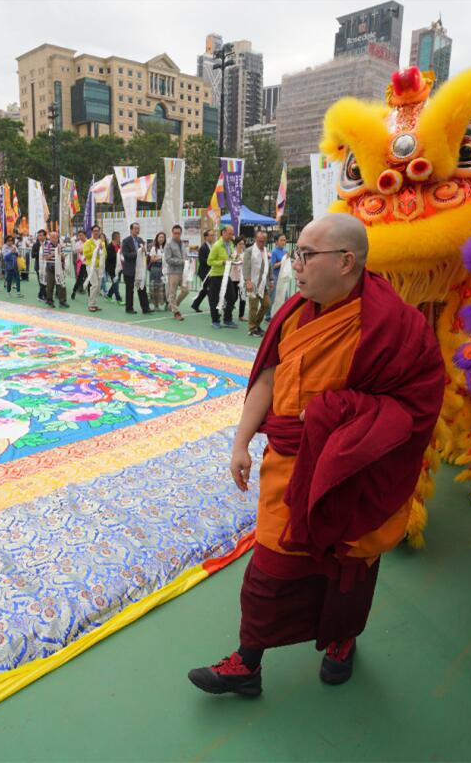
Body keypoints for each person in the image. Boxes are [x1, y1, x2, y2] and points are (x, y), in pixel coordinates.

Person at [187, 214, 444, 696]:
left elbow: (416, 405)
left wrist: (338, 413)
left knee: (347, 566)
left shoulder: (393, 325)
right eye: (295, 253)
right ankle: (247, 663)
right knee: (268, 567)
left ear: (347, 262)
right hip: (287, 464)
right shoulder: (294, 312)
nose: (294, 264)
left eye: (306, 255)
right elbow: (268, 376)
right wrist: (241, 442)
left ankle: (341, 640)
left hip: (350, 475)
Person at [205, 226, 238, 329]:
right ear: (223, 233)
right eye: (229, 233)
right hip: (216, 276)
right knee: (214, 299)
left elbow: (231, 256)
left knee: (232, 297)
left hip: (226, 275)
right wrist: (222, 262)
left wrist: (235, 259)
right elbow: (209, 261)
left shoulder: (231, 244)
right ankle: (215, 320)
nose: (231, 236)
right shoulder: (217, 245)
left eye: (232, 234)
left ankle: (227, 319)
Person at [243, 231, 272, 336]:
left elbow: (269, 266)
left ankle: (257, 324)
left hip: (263, 284)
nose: (262, 243)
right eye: (260, 241)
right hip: (253, 283)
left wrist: (271, 279)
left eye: (264, 241)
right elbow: (246, 267)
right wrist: (248, 281)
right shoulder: (249, 251)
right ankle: (252, 328)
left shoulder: (266, 250)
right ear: (255, 239)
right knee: (253, 307)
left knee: (267, 304)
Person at [121, 222, 151, 314]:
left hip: (139, 270)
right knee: (130, 290)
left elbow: (144, 254)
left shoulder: (140, 240)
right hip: (130, 270)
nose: (137, 230)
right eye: (135, 229)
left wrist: (145, 252)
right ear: (131, 230)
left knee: (142, 289)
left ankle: (146, 308)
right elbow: (126, 255)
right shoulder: (126, 241)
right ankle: (129, 308)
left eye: (138, 228)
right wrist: (138, 252)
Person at [163, 224, 189, 321]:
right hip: (173, 272)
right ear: (172, 233)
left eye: (178, 233)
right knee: (172, 293)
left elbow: (185, 255)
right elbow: (168, 259)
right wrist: (181, 261)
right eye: (175, 233)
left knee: (186, 290)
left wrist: (187, 261)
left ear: (181, 233)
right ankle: (176, 312)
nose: (177, 235)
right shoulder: (168, 244)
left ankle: (173, 305)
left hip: (183, 272)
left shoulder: (182, 244)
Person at [40, 230, 69, 308]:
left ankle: (62, 301)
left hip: (59, 268)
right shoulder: (47, 246)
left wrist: (61, 254)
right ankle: (49, 301)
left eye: (55, 237)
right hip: (50, 269)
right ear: (49, 238)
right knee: (50, 286)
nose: (53, 239)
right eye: (52, 237)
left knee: (61, 285)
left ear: (57, 238)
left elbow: (63, 257)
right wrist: (54, 253)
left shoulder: (59, 246)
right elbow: (46, 257)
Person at [82, 225, 105, 312]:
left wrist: (101, 250)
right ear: (92, 232)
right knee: (94, 285)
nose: (96, 232)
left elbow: (105, 254)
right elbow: (86, 255)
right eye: (94, 231)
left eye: (97, 231)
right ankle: (91, 304)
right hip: (90, 266)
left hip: (100, 267)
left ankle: (94, 304)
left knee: (98, 287)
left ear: (99, 232)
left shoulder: (101, 242)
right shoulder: (88, 242)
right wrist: (96, 250)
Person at [190, 230, 213, 312]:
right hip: (204, 272)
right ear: (206, 237)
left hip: (210, 272)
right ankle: (214, 310)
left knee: (205, 290)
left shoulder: (211, 246)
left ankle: (195, 305)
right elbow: (202, 260)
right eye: (211, 235)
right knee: (210, 290)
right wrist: (212, 262)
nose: (212, 237)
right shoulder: (203, 247)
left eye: (213, 235)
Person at [104, 230, 122, 303]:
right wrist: (118, 254)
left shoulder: (118, 245)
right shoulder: (109, 247)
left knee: (116, 283)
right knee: (115, 283)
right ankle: (119, 299)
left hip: (119, 268)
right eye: (119, 236)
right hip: (112, 269)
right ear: (115, 237)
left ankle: (109, 295)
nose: (120, 238)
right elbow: (110, 257)